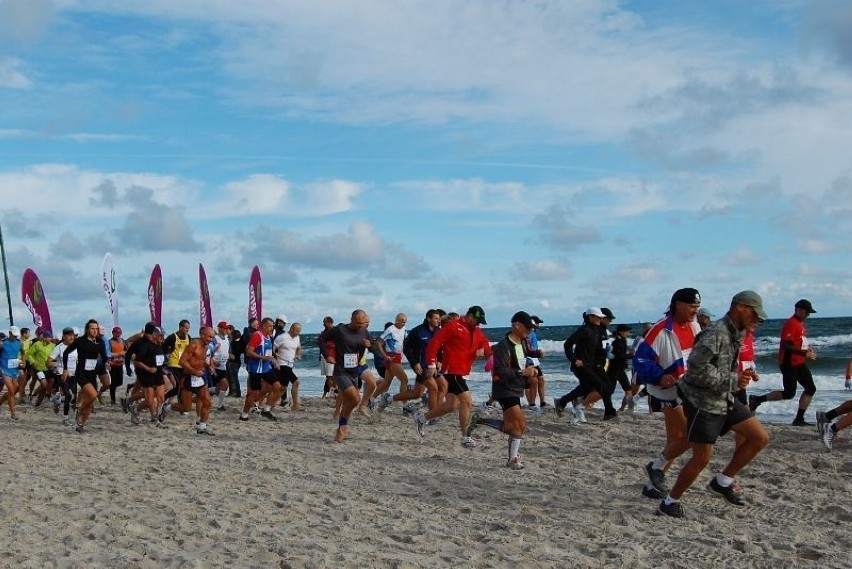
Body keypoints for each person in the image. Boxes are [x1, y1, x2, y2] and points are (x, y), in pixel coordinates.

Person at [657, 291, 770, 518]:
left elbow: (722, 365)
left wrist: (741, 374)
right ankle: (669, 501)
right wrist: (733, 380)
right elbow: (696, 371)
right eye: (754, 314)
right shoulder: (715, 333)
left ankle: (723, 481)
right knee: (701, 457)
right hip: (702, 402)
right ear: (740, 307)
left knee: (760, 437)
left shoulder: (738, 331)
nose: (757, 320)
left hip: (724, 397)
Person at [633, 288, 702, 500]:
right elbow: (640, 360)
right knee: (689, 437)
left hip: (688, 390)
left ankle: (652, 485)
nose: (695, 311)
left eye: (697, 307)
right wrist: (660, 376)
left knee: (676, 440)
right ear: (678, 304)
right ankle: (655, 467)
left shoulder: (694, 325)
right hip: (666, 393)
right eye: (692, 306)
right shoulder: (660, 330)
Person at [466, 311, 539, 469]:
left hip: (515, 387)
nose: (530, 331)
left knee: (513, 426)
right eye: (527, 328)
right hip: (504, 389)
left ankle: (480, 420)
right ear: (516, 325)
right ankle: (512, 460)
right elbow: (499, 370)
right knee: (519, 425)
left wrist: (533, 367)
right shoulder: (502, 346)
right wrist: (522, 373)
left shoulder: (522, 344)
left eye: (531, 328)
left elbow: (521, 363)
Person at [412, 305, 492, 448]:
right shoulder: (454, 326)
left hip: (464, 372)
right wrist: (431, 364)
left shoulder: (477, 331)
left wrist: (483, 349)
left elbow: (485, 344)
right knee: (467, 402)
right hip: (452, 371)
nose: (479, 324)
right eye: (477, 320)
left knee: (451, 406)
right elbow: (434, 344)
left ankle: (421, 418)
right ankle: (465, 437)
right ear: (470, 316)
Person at [749, 299, 817, 426]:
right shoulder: (791, 323)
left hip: (798, 362)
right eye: (807, 312)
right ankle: (757, 399)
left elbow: (798, 342)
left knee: (810, 388)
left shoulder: (800, 324)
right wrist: (804, 353)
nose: (808, 315)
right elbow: (785, 345)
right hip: (788, 363)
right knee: (789, 393)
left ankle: (799, 419)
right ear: (799, 311)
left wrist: (807, 349)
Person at [554, 308, 616, 423]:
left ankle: (562, 402)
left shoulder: (596, 331)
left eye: (601, 317)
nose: (600, 319)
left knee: (586, 388)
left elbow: (597, 349)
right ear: (590, 317)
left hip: (590, 366)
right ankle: (578, 407)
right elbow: (568, 345)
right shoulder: (584, 330)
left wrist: (606, 352)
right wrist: (574, 359)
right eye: (598, 317)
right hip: (581, 367)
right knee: (602, 388)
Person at [319, 309, 372, 443]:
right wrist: (327, 355)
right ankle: (343, 426)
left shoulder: (364, 331)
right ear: (352, 319)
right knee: (355, 399)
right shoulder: (340, 330)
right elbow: (321, 339)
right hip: (340, 371)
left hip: (354, 371)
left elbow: (374, 348)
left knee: (350, 401)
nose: (361, 325)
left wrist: (370, 345)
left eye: (363, 323)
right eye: (359, 322)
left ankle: (341, 425)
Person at [62, 319, 109, 433]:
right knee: (93, 395)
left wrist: (107, 362)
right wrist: (65, 369)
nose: (95, 330)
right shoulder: (80, 341)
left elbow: (103, 356)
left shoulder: (100, 342)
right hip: (81, 373)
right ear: (87, 329)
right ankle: (80, 410)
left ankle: (80, 424)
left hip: (92, 373)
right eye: (92, 328)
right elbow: (66, 353)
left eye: (96, 328)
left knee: (90, 400)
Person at [179, 326, 216, 435]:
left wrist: (208, 366)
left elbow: (200, 360)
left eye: (212, 337)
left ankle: (202, 428)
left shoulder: (206, 346)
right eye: (209, 337)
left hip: (200, 377)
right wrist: (194, 371)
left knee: (207, 403)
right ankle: (167, 406)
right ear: (202, 335)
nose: (211, 339)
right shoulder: (194, 344)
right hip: (188, 377)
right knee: (186, 408)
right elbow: (182, 361)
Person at [240, 317, 278, 421]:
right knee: (253, 393)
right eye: (270, 326)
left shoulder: (269, 337)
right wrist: (263, 357)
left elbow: (269, 353)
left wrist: (274, 361)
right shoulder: (257, 335)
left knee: (277, 387)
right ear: (264, 326)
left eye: (272, 326)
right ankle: (244, 415)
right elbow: (249, 352)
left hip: (266, 368)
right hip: (256, 369)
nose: (272, 328)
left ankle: (266, 410)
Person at [273, 322, 304, 411]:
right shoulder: (282, 337)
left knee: (282, 388)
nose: (298, 333)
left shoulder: (297, 337)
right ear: (291, 329)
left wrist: (298, 354)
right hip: (282, 364)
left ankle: (271, 404)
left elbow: (298, 348)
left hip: (290, 364)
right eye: (297, 331)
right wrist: (275, 355)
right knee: (296, 382)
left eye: (299, 331)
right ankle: (295, 405)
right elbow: (273, 348)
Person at [524, 315, 547, 413]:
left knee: (541, 380)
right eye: (537, 323)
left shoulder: (533, 332)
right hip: (527, 359)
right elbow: (527, 349)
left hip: (534, 359)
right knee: (533, 381)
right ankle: (532, 403)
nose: (538, 325)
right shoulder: (527, 333)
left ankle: (542, 402)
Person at [0, 326, 23, 419]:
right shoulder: (3, 343)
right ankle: (13, 413)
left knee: (15, 390)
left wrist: (23, 362)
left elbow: (24, 352)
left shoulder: (19, 343)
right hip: (4, 369)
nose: (15, 337)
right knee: (11, 391)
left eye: (16, 335)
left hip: (14, 369)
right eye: (14, 335)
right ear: (9, 333)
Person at [210, 321, 231, 411]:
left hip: (223, 367)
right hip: (214, 367)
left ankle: (220, 405)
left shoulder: (226, 339)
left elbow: (226, 351)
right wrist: (213, 362)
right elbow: (209, 353)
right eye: (225, 328)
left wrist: (230, 355)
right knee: (212, 388)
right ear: (220, 328)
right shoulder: (215, 339)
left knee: (224, 385)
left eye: (227, 328)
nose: (226, 330)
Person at [105, 326, 127, 405]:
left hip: (120, 364)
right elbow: (107, 353)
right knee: (114, 382)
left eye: (119, 333)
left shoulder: (123, 341)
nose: (118, 335)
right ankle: (112, 399)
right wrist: (117, 354)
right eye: (116, 333)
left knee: (120, 382)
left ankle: (111, 388)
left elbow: (126, 351)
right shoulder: (109, 342)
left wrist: (124, 355)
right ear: (113, 333)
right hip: (112, 364)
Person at [318, 316, 336, 400]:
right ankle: (329, 393)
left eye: (324, 323)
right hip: (323, 357)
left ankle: (332, 393)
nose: (323, 325)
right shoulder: (323, 333)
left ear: (329, 323)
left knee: (330, 376)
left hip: (331, 356)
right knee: (328, 376)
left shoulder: (335, 332)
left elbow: (337, 344)